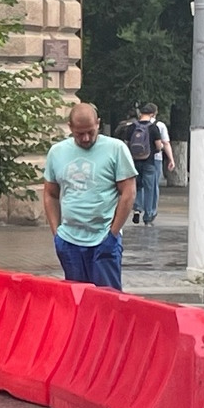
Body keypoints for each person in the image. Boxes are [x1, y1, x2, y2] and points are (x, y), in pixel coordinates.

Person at [43, 102, 137, 290]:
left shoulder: (116, 149)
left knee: (108, 303)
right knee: (78, 301)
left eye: (90, 132)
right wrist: (57, 234)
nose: (86, 138)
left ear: (98, 124)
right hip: (69, 241)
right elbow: (50, 194)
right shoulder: (57, 152)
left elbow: (128, 192)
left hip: (103, 238)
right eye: (79, 133)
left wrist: (113, 233)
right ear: (70, 128)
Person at [142, 102, 176, 225]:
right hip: (155, 159)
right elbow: (165, 143)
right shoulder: (159, 125)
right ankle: (150, 213)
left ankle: (137, 208)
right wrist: (171, 159)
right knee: (153, 187)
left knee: (140, 185)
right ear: (154, 113)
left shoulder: (135, 125)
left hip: (137, 159)